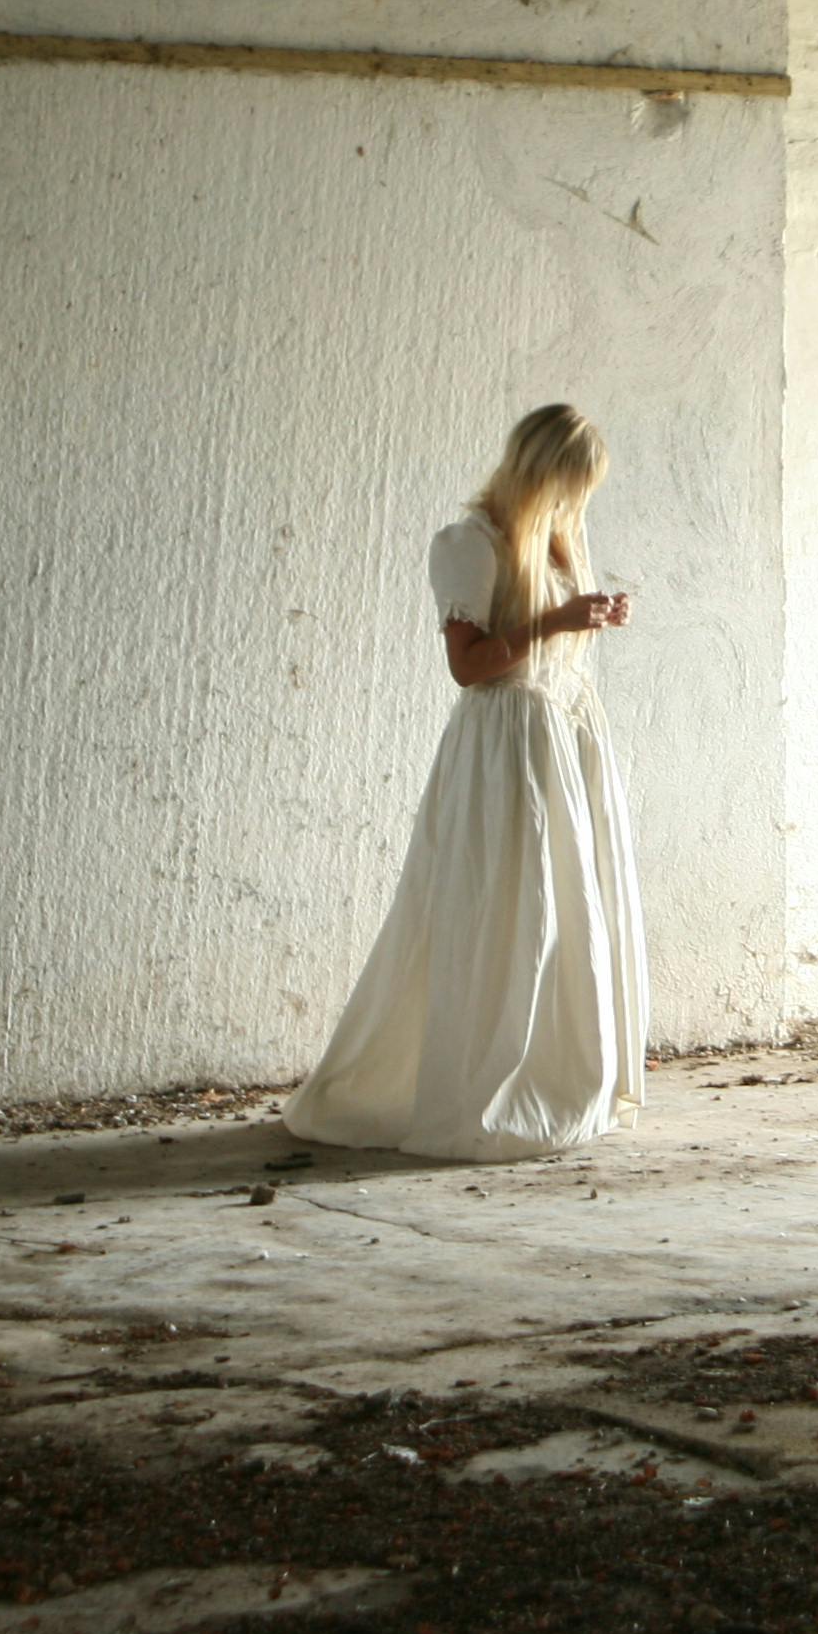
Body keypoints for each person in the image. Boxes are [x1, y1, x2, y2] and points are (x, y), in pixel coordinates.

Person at [282, 403, 650, 1159]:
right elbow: (468, 667)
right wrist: (556, 622)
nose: (576, 504)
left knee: (563, 909)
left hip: (558, 735)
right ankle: (474, 1082)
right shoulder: (469, 544)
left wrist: (592, 617)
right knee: (504, 909)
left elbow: (547, 642)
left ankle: (551, 1071)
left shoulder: (553, 542)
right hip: (503, 747)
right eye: (569, 485)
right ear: (540, 471)